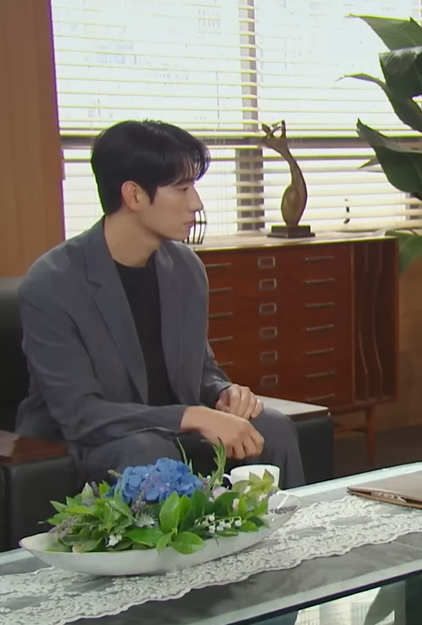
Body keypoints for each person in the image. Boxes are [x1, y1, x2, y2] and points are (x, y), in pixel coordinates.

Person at [16, 119, 306, 488]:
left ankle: (291, 527)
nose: (196, 203)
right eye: (182, 188)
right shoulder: (53, 283)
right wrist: (193, 416)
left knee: (272, 427)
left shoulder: (185, 269)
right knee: (151, 453)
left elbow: (201, 370)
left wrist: (223, 393)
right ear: (134, 195)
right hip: (87, 442)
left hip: (168, 431)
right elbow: (81, 415)